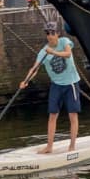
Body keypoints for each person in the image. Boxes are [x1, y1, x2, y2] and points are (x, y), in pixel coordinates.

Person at [21, 21, 82, 154]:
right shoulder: (43, 52)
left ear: (57, 34)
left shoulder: (64, 41)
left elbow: (68, 54)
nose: (50, 36)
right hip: (56, 85)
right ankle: (49, 146)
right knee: (52, 115)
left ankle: (72, 146)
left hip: (71, 83)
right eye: (48, 33)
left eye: (52, 33)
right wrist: (26, 80)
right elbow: (34, 68)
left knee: (72, 114)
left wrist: (53, 52)